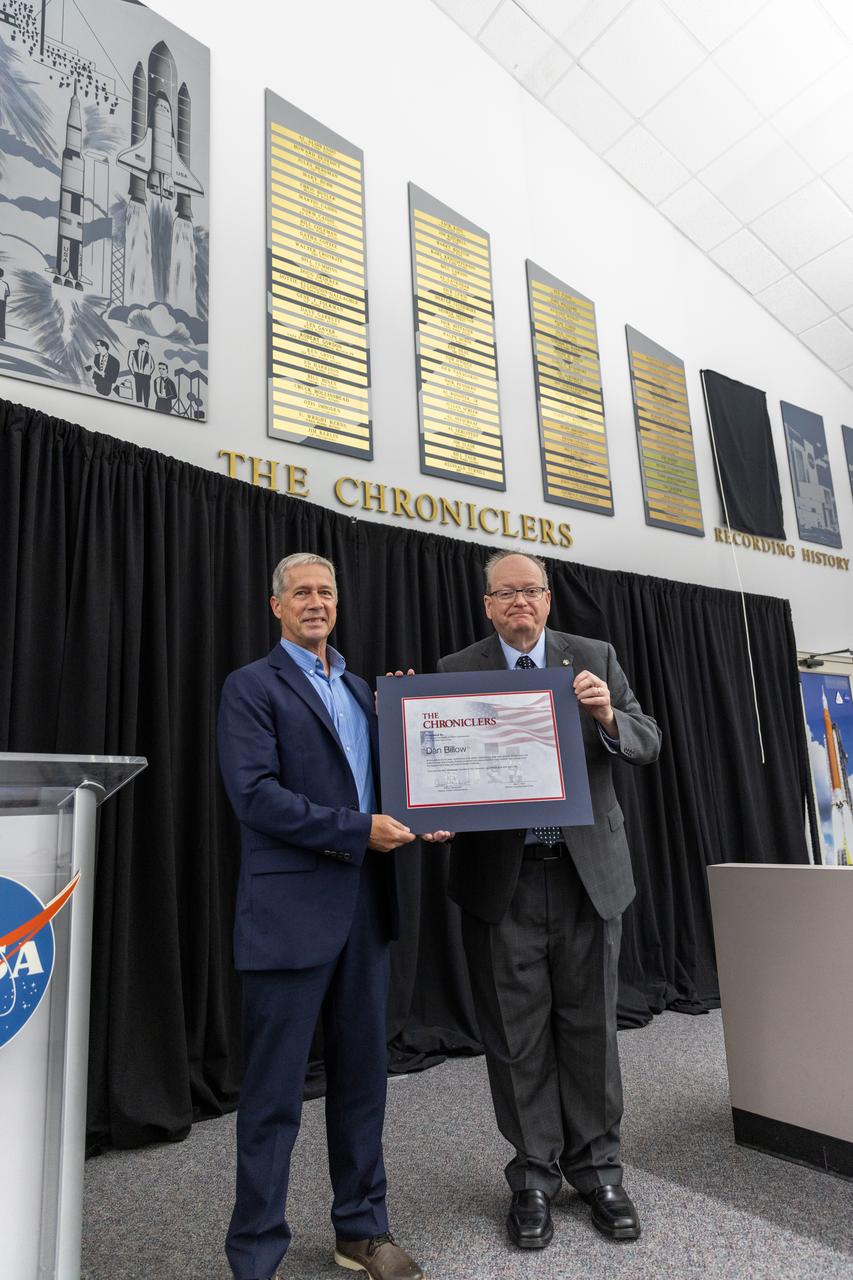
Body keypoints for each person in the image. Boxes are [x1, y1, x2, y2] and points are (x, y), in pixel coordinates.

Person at [218, 552, 447, 1280]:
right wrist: (359, 831)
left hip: (363, 915)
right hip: (287, 919)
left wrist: (423, 808)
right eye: (301, 593)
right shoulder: (251, 687)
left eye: (326, 592)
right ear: (276, 606)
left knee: (362, 1084)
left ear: (337, 605)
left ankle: (360, 1230)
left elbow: (389, 786)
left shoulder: (360, 689)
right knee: (272, 1098)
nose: (315, 602)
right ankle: (255, 1254)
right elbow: (254, 796)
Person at [437, 551, 661, 1251]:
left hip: (585, 877)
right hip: (501, 880)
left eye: (530, 591)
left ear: (548, 598)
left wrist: (605, 716)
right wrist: (431, 794)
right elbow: (440, 766)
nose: (519, 604)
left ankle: (597, 1170)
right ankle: (532, 1175)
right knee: (514, 1034)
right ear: (487, 606)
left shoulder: (592, 655)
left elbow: (646, 741)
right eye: (505, 594)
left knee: (590, 1025)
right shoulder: (455, 672)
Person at [128, 337, 154, 406]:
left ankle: (146, 405)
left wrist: (148, 373)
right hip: (137, 375)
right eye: (145, 346)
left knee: (146, 392)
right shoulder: (132, 352)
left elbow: (153, 366)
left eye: (148, 347)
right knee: (138, 390)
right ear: (140, 345)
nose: (147, 348)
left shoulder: (149, 355)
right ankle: (138, 405)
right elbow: (130, 363)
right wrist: (134, 373)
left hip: (146, 376)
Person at [0, 268, 10, 341]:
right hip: (2, 302)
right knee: (2, 319)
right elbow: (8, 294)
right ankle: (1, 336)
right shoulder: (5, 284)